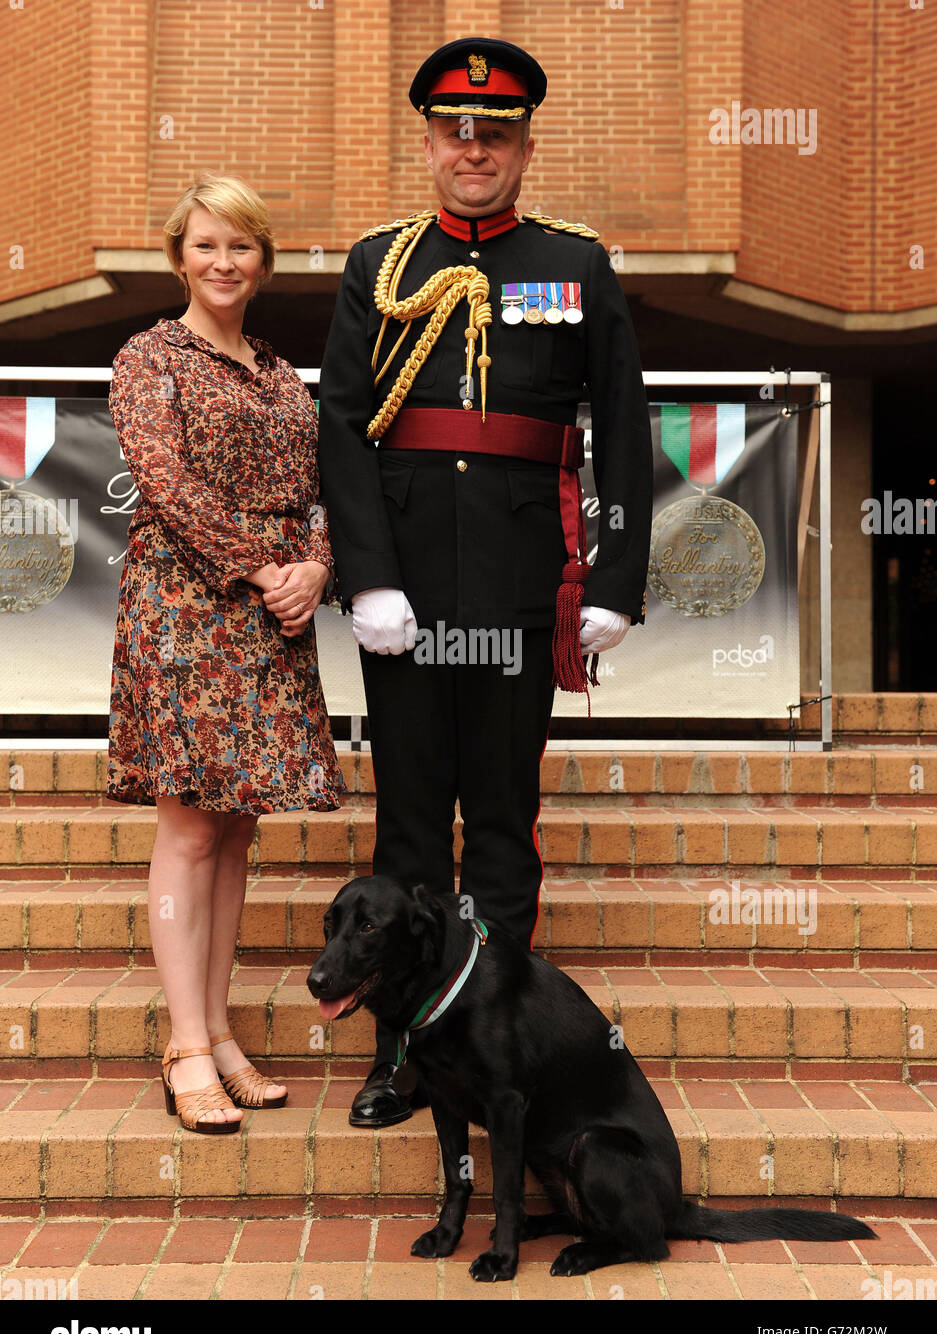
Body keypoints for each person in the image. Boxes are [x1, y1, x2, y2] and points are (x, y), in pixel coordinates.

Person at [317, 38, 652, 1127]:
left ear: (523, 145)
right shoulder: (380, 262)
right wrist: (367, 576)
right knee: (410, 824)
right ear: (427, 142)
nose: (474, 150)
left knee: (502, 819)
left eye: (494, 133)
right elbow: (342, 426)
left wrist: (616, 576)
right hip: (406, 586)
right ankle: (403, 1055)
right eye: (455, 132)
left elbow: (623, 424)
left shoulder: (577, 261)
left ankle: (499, 1045)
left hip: (520, 584)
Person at [107, 173, 345, 1133]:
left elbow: (320, 488)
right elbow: (163, 481)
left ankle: (220, 1028)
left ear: (263, 261)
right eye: (205, 245)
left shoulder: (283, 373)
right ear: (179, 258)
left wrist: (316, 567)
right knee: (191, 829)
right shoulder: (147, 356)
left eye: (241, 246)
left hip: (273, 617)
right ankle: (184, 1044)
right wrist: (263, 567)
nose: (223, 262)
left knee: (239, 828)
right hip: (185, 609)